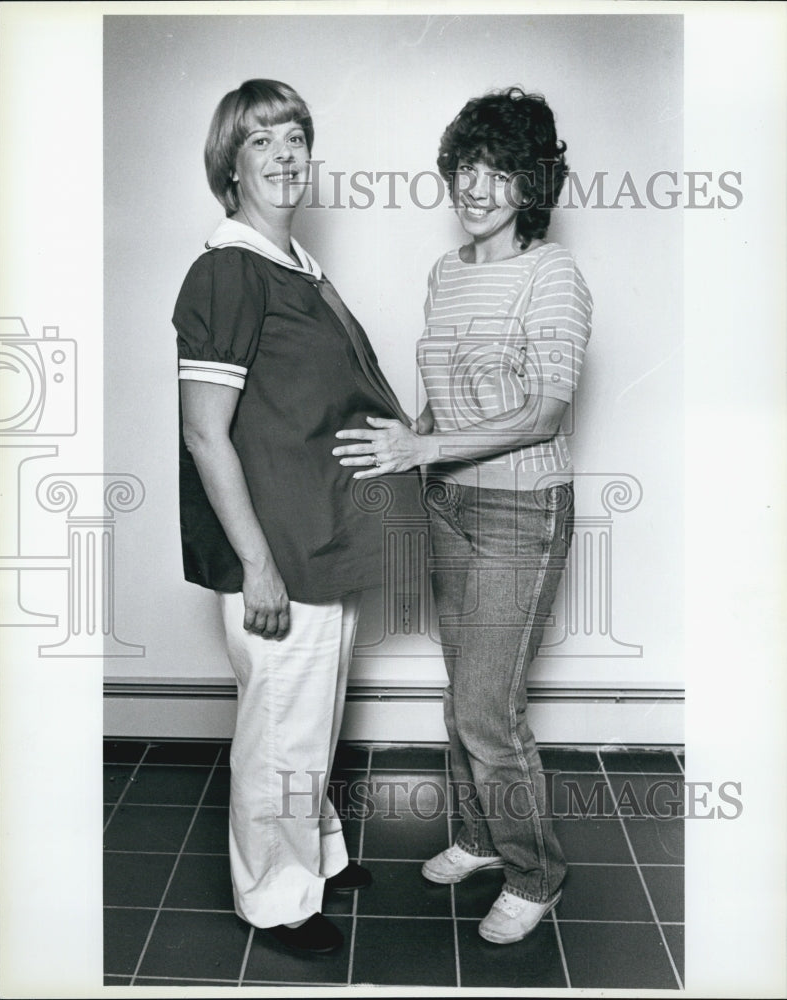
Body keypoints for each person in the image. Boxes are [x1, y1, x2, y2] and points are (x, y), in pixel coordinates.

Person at [333, 87, 592, 945]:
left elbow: (544, 414)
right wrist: (411, 443)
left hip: (524, 511)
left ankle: (536, 873)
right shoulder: (446, 273)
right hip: (451, 504)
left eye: (501, 171)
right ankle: (481, 840)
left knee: (488, 707)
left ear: (532, 184)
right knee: (463, 699)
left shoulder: (554, 273)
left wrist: (423, 452)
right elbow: (441, 401)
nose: (476, 188)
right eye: (467, 168)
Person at [173, 79, 413, 954]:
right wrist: (259, 566)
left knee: (311, 718)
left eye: (295, 137)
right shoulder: (226, 270)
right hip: (280, 552)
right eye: (262, 140)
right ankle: (276, 897)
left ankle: (315, 851)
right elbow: (206, 435)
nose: (285, 154)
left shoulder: (295, 265)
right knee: (282, 731)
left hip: (325, 540)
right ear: (229, 165)